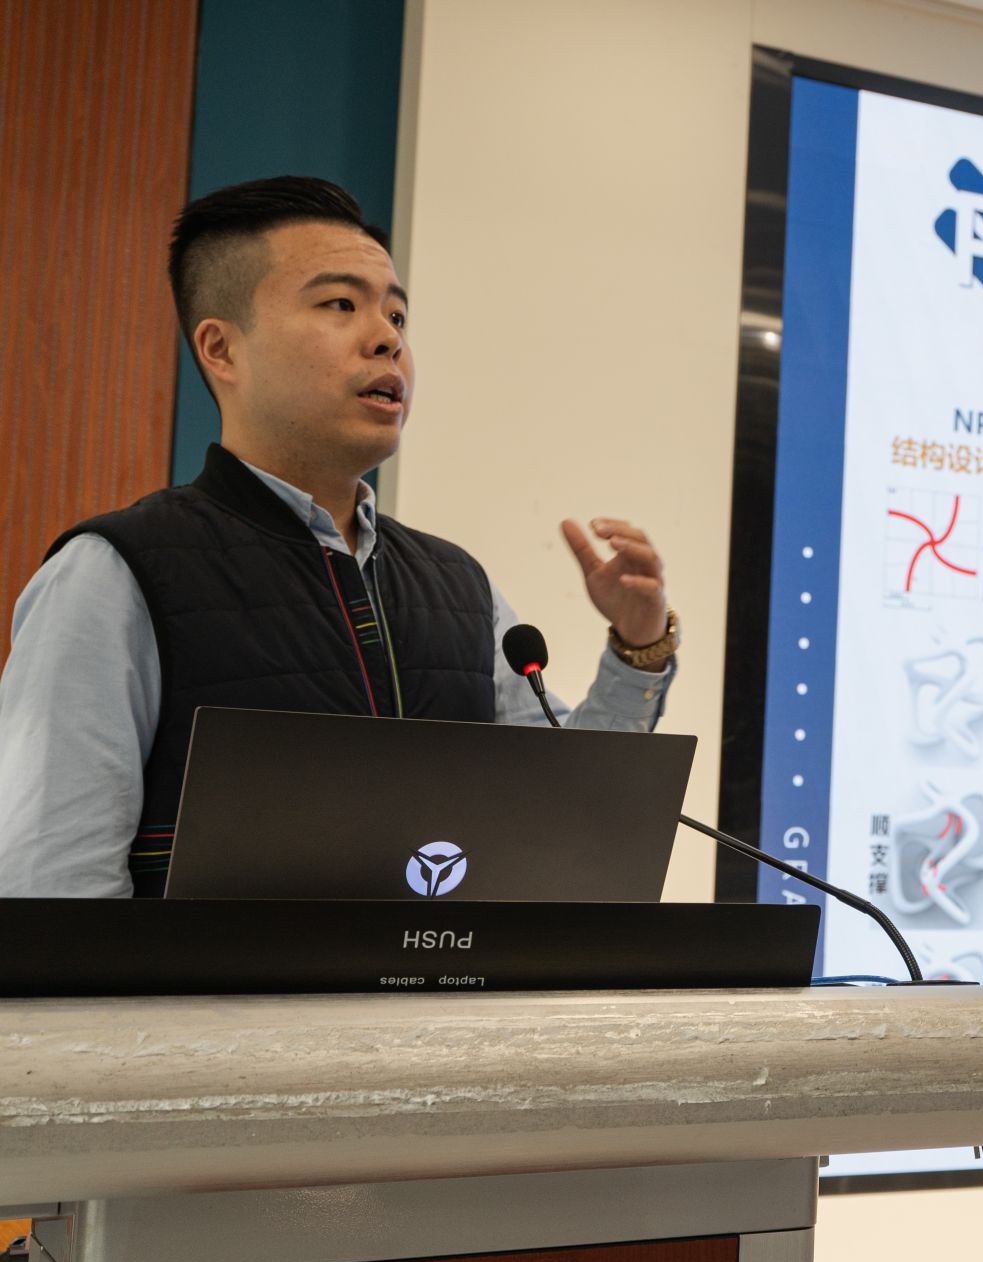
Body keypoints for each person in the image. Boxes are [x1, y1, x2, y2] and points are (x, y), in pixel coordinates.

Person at [0, 177, 679, 897]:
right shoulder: (114, 574)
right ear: (222, 350)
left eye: (397, 314)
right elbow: (52, 883)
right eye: (340, 305)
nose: (388, 338)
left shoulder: (458, 585)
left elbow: (568, 817)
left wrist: (637, 648)